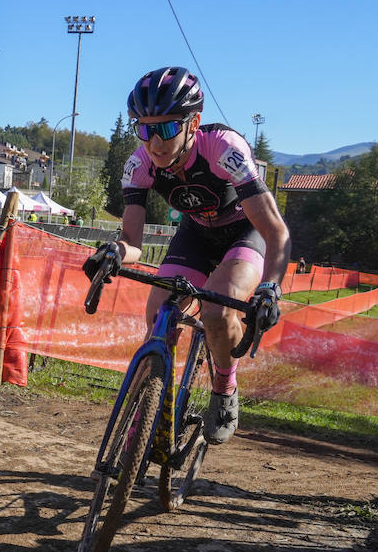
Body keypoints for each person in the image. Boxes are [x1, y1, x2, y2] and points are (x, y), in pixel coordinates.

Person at [82, 66, 290, 445]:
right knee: (159, 318)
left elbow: (275, 232)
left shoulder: (224, 150)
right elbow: (134, 241)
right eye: (144, 129)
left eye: (165, 129)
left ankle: (225, 389)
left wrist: (272, 287)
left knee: (217, 311)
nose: (154, 142)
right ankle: (142, 419)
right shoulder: (139, 165)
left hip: (244, 233)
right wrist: (113, 251)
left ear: (193, 123)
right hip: (195, 234)